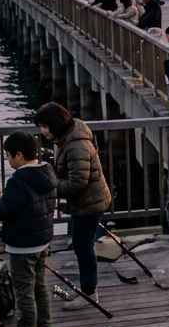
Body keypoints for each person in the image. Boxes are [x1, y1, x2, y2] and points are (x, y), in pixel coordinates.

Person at [0, 131, 56, 327]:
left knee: (24, 291)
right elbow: (23, 206)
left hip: (23, 246)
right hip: (42, 240)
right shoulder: (46, 172)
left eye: (8, 156)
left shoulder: (18, 180)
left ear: (19, 155)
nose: (8, 160)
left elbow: (5, 212)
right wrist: (0, 198)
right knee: (40, 286)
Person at [33, 102, 112, 310]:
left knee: (83, 247)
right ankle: (88, 290)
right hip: (87, 201)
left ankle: (89, 293)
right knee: (81, 244)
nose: (42, 131)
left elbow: (78, 181)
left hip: (91, 203)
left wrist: (52, 189)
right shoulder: (66, 138)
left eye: (44, 126)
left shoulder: (77, 145)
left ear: (55, 124)